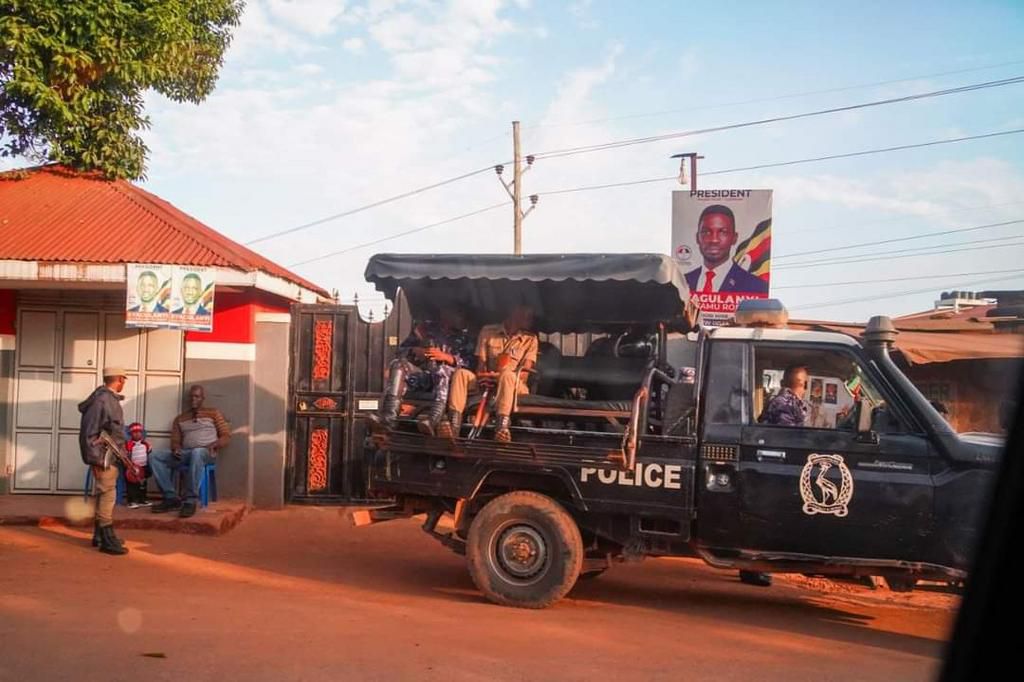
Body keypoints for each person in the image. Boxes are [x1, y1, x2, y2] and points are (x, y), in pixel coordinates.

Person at [438, 304, 538, 443]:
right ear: (515, 311)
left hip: (514, 386)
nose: (531, 317)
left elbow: (524, 375)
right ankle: (453, 426)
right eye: (528, 313)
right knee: (461, 374)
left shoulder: (531, 339)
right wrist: (484, 376)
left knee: (507, 375)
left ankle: (501, 429)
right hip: (487, 382)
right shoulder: (487, 331)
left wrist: (499, 377)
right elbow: (481, 366)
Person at [367, 308, 475, 435]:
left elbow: (471, 364)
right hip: (424, 375)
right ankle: (389, 419)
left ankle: (433, 420)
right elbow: (401, 351)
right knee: (398, 364)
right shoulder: (426, 329)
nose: (458, 317)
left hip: (449, 381)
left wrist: (447, 357)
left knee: (442, 370)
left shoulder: (465, 338)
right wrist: (416, 351)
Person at [150, 385, 231, 517]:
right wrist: (176, 448)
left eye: (197, 396)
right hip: (187, 453)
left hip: (206, 453)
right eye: (192, 396)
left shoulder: (213, 413)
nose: (194, 399)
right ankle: (171, 497)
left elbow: (226, 435)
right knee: (155, 456)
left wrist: (215, 444)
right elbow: (175, 440)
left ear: (203, 398)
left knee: (198, 452)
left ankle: (190, 500)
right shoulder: (180, 418)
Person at [78, 367, 129, 555]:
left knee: (104, 494)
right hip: (104, 457)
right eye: (124, 379)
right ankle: (107, 539)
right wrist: (96, 460)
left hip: (110, 455)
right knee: (108, 495)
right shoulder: (102, 400)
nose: (124, 383)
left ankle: (99, 536)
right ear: (119, 380)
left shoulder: (107, 399)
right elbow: (88, 433)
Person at [684, 205, 769, 294]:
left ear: (734, 238)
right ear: (697, 238)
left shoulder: (757, 287)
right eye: (706, 232)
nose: (714, 240)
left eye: (723, 232)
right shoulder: (682, 282)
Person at [124, 422, 152, 508]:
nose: (137, 434)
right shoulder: (129, 444)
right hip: (132, 468)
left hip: (143, 467)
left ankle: (142, 499)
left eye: (139, 432)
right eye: (134, 432)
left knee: (142, 484)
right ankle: (132, 501)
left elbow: (149, 453)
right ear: (131, 434)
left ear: (142, 433)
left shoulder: (146, 444)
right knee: (132, 485)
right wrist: (129, 466)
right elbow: (126, 456)